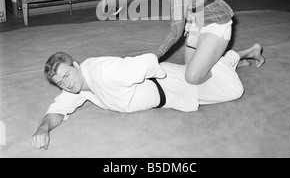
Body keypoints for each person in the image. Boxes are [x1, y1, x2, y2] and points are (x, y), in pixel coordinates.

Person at [31, 43, 265, 150]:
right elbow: (58, 109)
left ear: (75, 64)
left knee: (234, 91)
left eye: (67, 75)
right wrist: (43, 129)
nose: (67, 83)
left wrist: (159, 73)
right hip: (169, 95)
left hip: (169, 84)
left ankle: (238, 54)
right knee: (216, 83)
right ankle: (231, 63)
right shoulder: (77, 86)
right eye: (60, 82)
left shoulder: (105, 73)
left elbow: (146, 62)